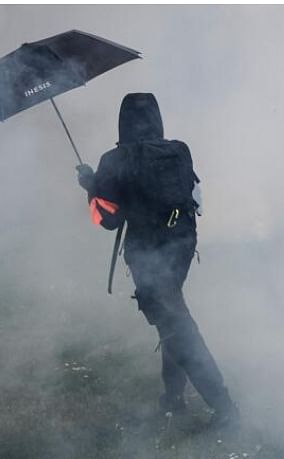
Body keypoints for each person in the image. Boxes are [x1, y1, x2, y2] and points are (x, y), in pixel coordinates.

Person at [76, 93, 238, 428]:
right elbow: (194, 196)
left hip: (148, 252)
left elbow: (107, 220)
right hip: (181, 246)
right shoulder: (180, 150)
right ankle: (173, 399)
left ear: (123, 122)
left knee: (177, 328)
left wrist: (91, 185)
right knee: (171, 318)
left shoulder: (114, 160)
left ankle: (225, 409)